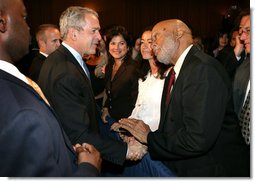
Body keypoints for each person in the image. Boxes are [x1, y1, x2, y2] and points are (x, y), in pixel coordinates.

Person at [112, 19, 249, 177]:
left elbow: (196, 139)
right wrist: (142, 139)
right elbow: (173, 124)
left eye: (156, 37)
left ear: (178, 34)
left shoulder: (202, 69)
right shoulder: (176, 71)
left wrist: (149, 138)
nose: (152, 44)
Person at [37, 6, 147, 173]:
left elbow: (80, 104)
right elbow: (79, 134)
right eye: (94, 31)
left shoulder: (63, 60)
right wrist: (126, 150)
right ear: (74, 33)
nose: (99, 37)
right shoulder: (65, 71)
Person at [0, 0, 101, 177]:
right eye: (23, 17)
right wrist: (88, 168)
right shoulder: (18, 105)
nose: (29, 27)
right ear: (2, 23)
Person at [101, 25, 139, 123]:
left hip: (127, 122)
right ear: (108, 46)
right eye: (113, 43)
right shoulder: (109, 66)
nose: (116, 47)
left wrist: (129, 125)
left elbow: (138, 102)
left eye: (121, 43)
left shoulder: (134, 68)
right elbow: (110, 94)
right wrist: (106, 108)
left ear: (128, 47)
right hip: (112, 119)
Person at [232, 10, 250, 145]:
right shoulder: (244, 67)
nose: (242, 38)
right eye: (241, 31)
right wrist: (236, 54)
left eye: (248, 30)